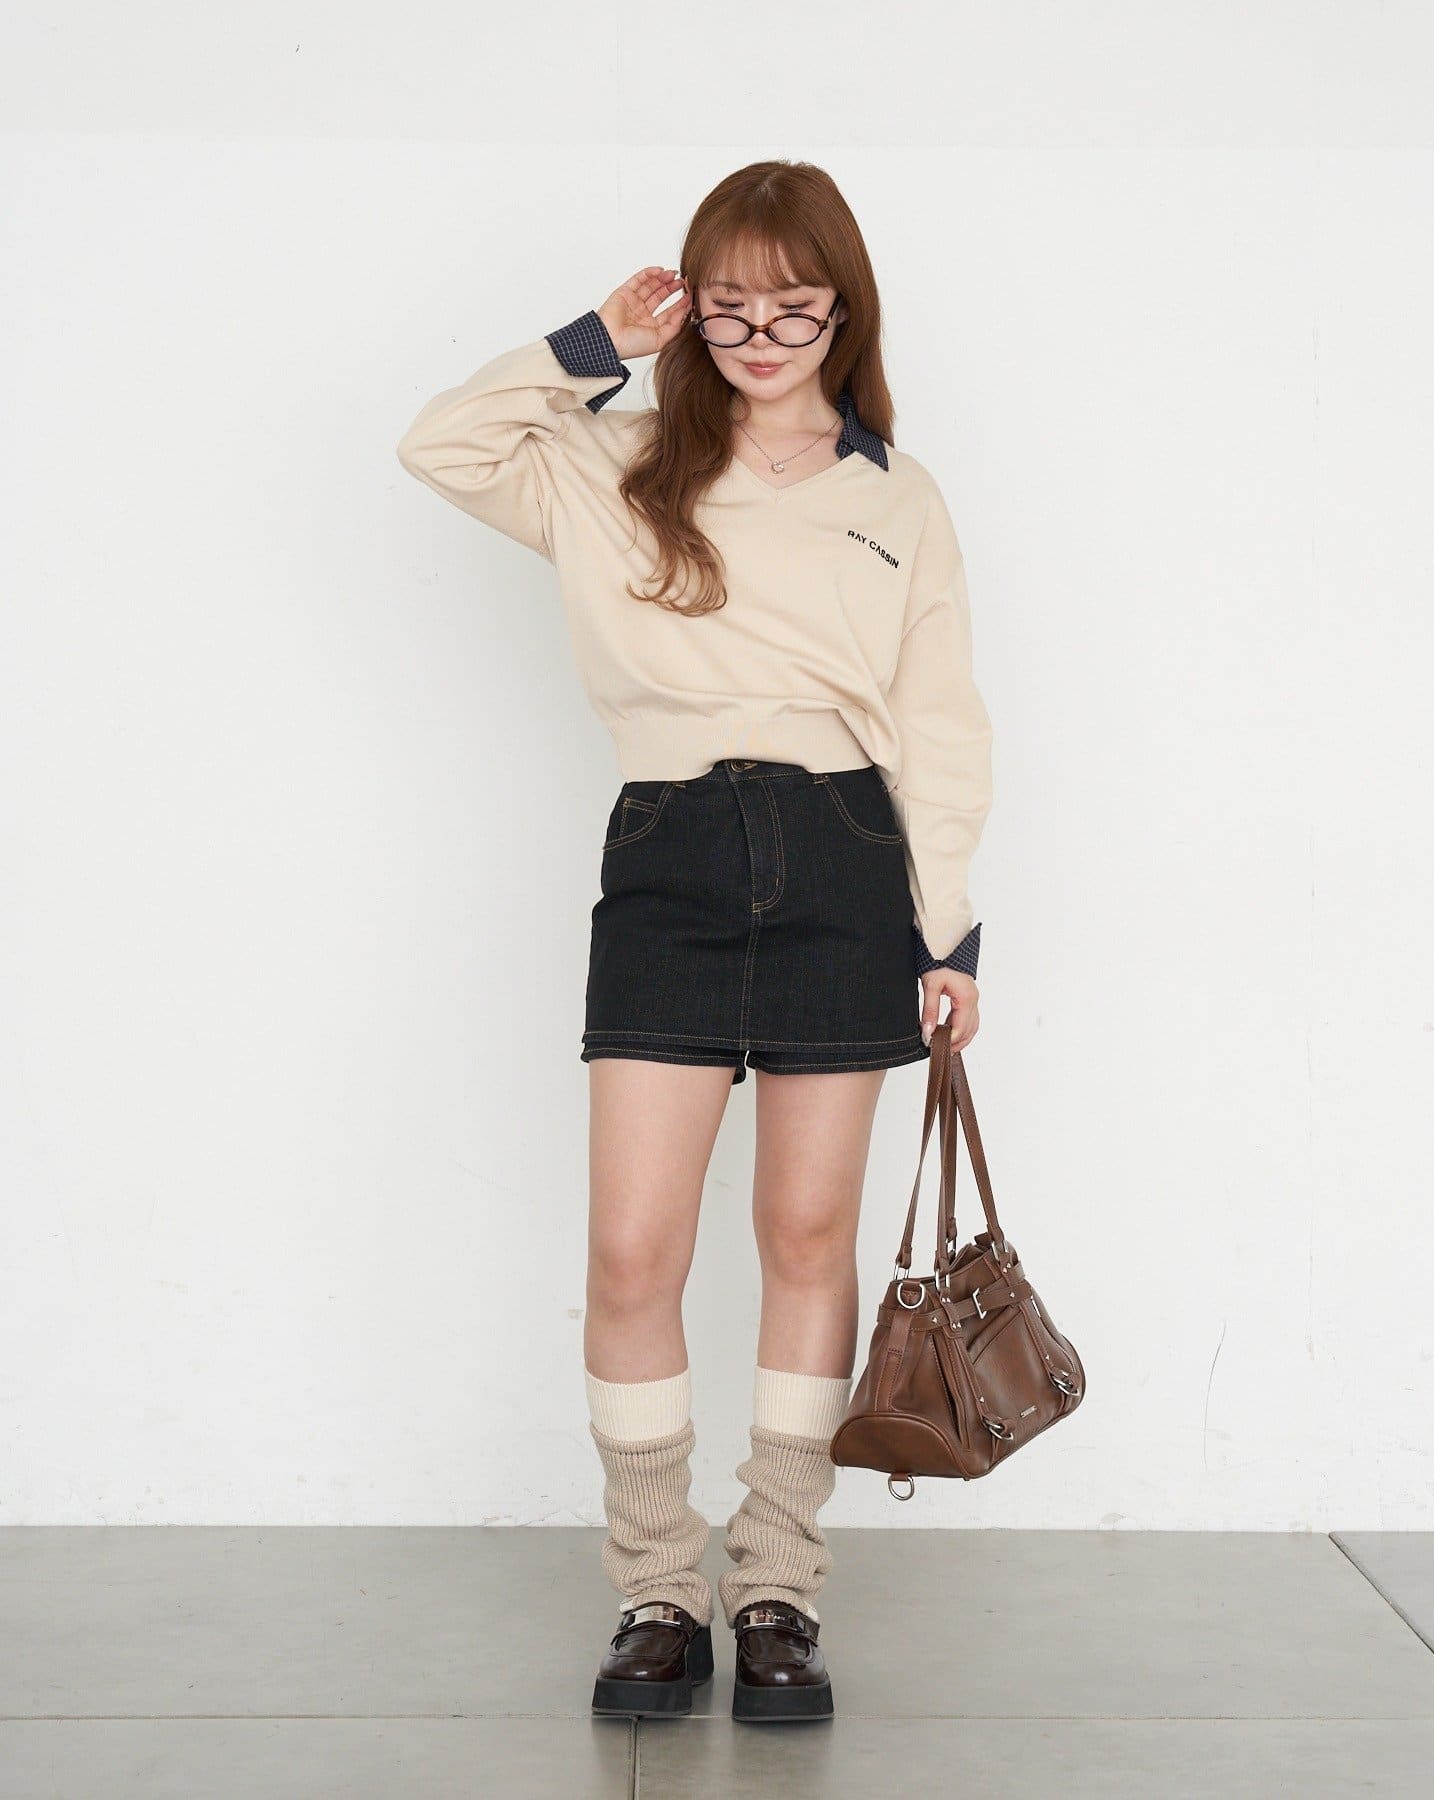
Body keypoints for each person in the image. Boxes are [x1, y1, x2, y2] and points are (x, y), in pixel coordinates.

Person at [396, 158, 992, 1724]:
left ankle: (780, 1581)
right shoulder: (615, 461)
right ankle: (657, 1588)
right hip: (665, 851)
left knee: (806, 1236)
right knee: (631, 1248)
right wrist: (596, 345)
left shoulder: (896, 494)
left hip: (847, 858)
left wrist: (949, 936)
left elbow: (939, 724)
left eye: (796, 306)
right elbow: (440, 443)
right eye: (730, 305)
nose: (762, 335)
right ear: (693, 307)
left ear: (845, 312)